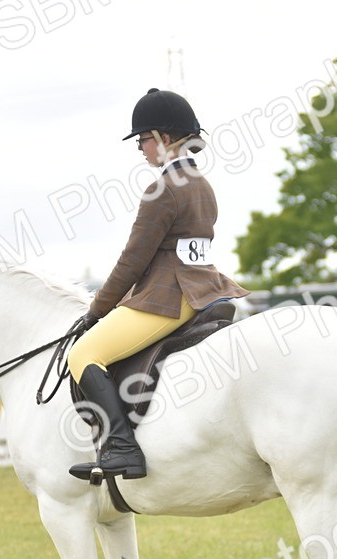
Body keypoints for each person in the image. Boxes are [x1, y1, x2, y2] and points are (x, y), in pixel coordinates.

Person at [66, 88, 249, 482]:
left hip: (168, 297)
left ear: (165, 138)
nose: (142, 150)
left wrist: (96, 311)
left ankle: (122, 446)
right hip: (204, 289)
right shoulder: (201, 183)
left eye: (143, 140)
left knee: (82, 355)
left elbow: (132, 262)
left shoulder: (163, 190)